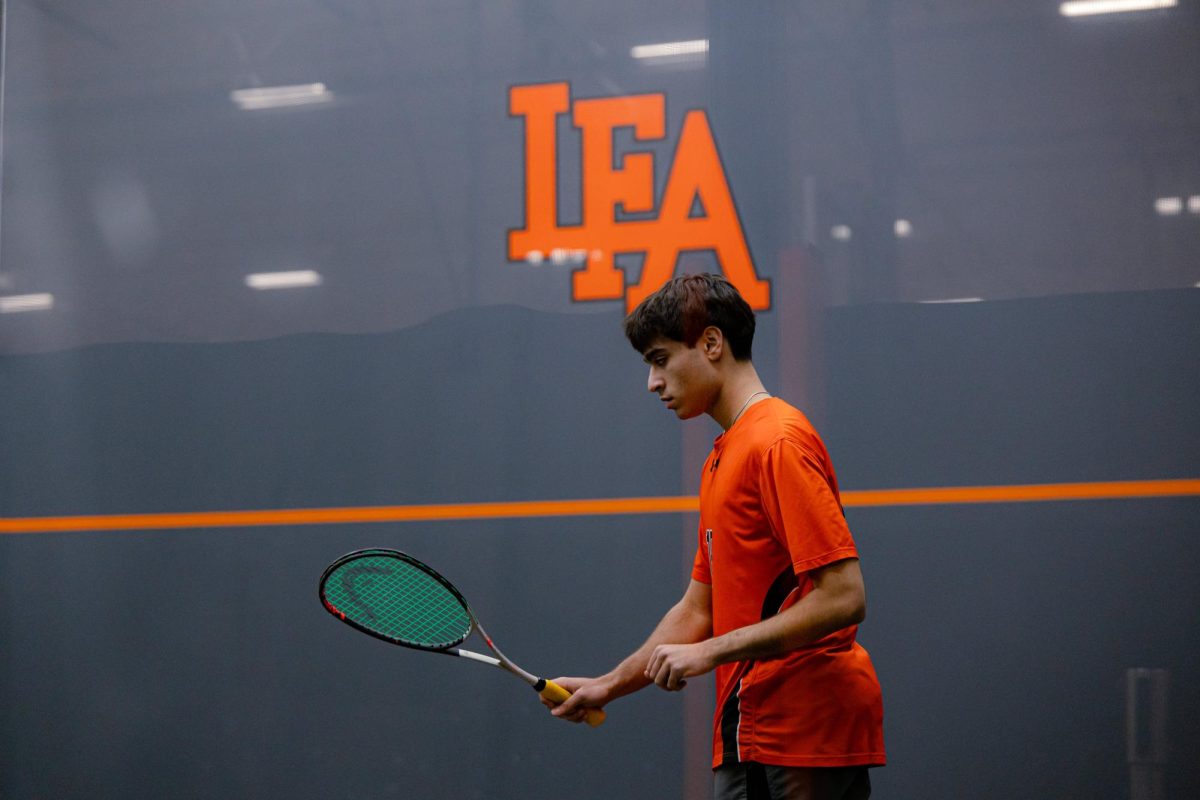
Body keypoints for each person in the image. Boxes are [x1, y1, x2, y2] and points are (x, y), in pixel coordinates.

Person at [545, 273, 885, 799]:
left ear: (710, 343)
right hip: (747, 737)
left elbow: (844, 595)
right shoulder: (724, 455)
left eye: (660, 359)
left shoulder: (777, 441)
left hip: (802, 736)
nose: (652, 383)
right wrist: (609, 685)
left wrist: (712, 653)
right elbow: (699, 609)